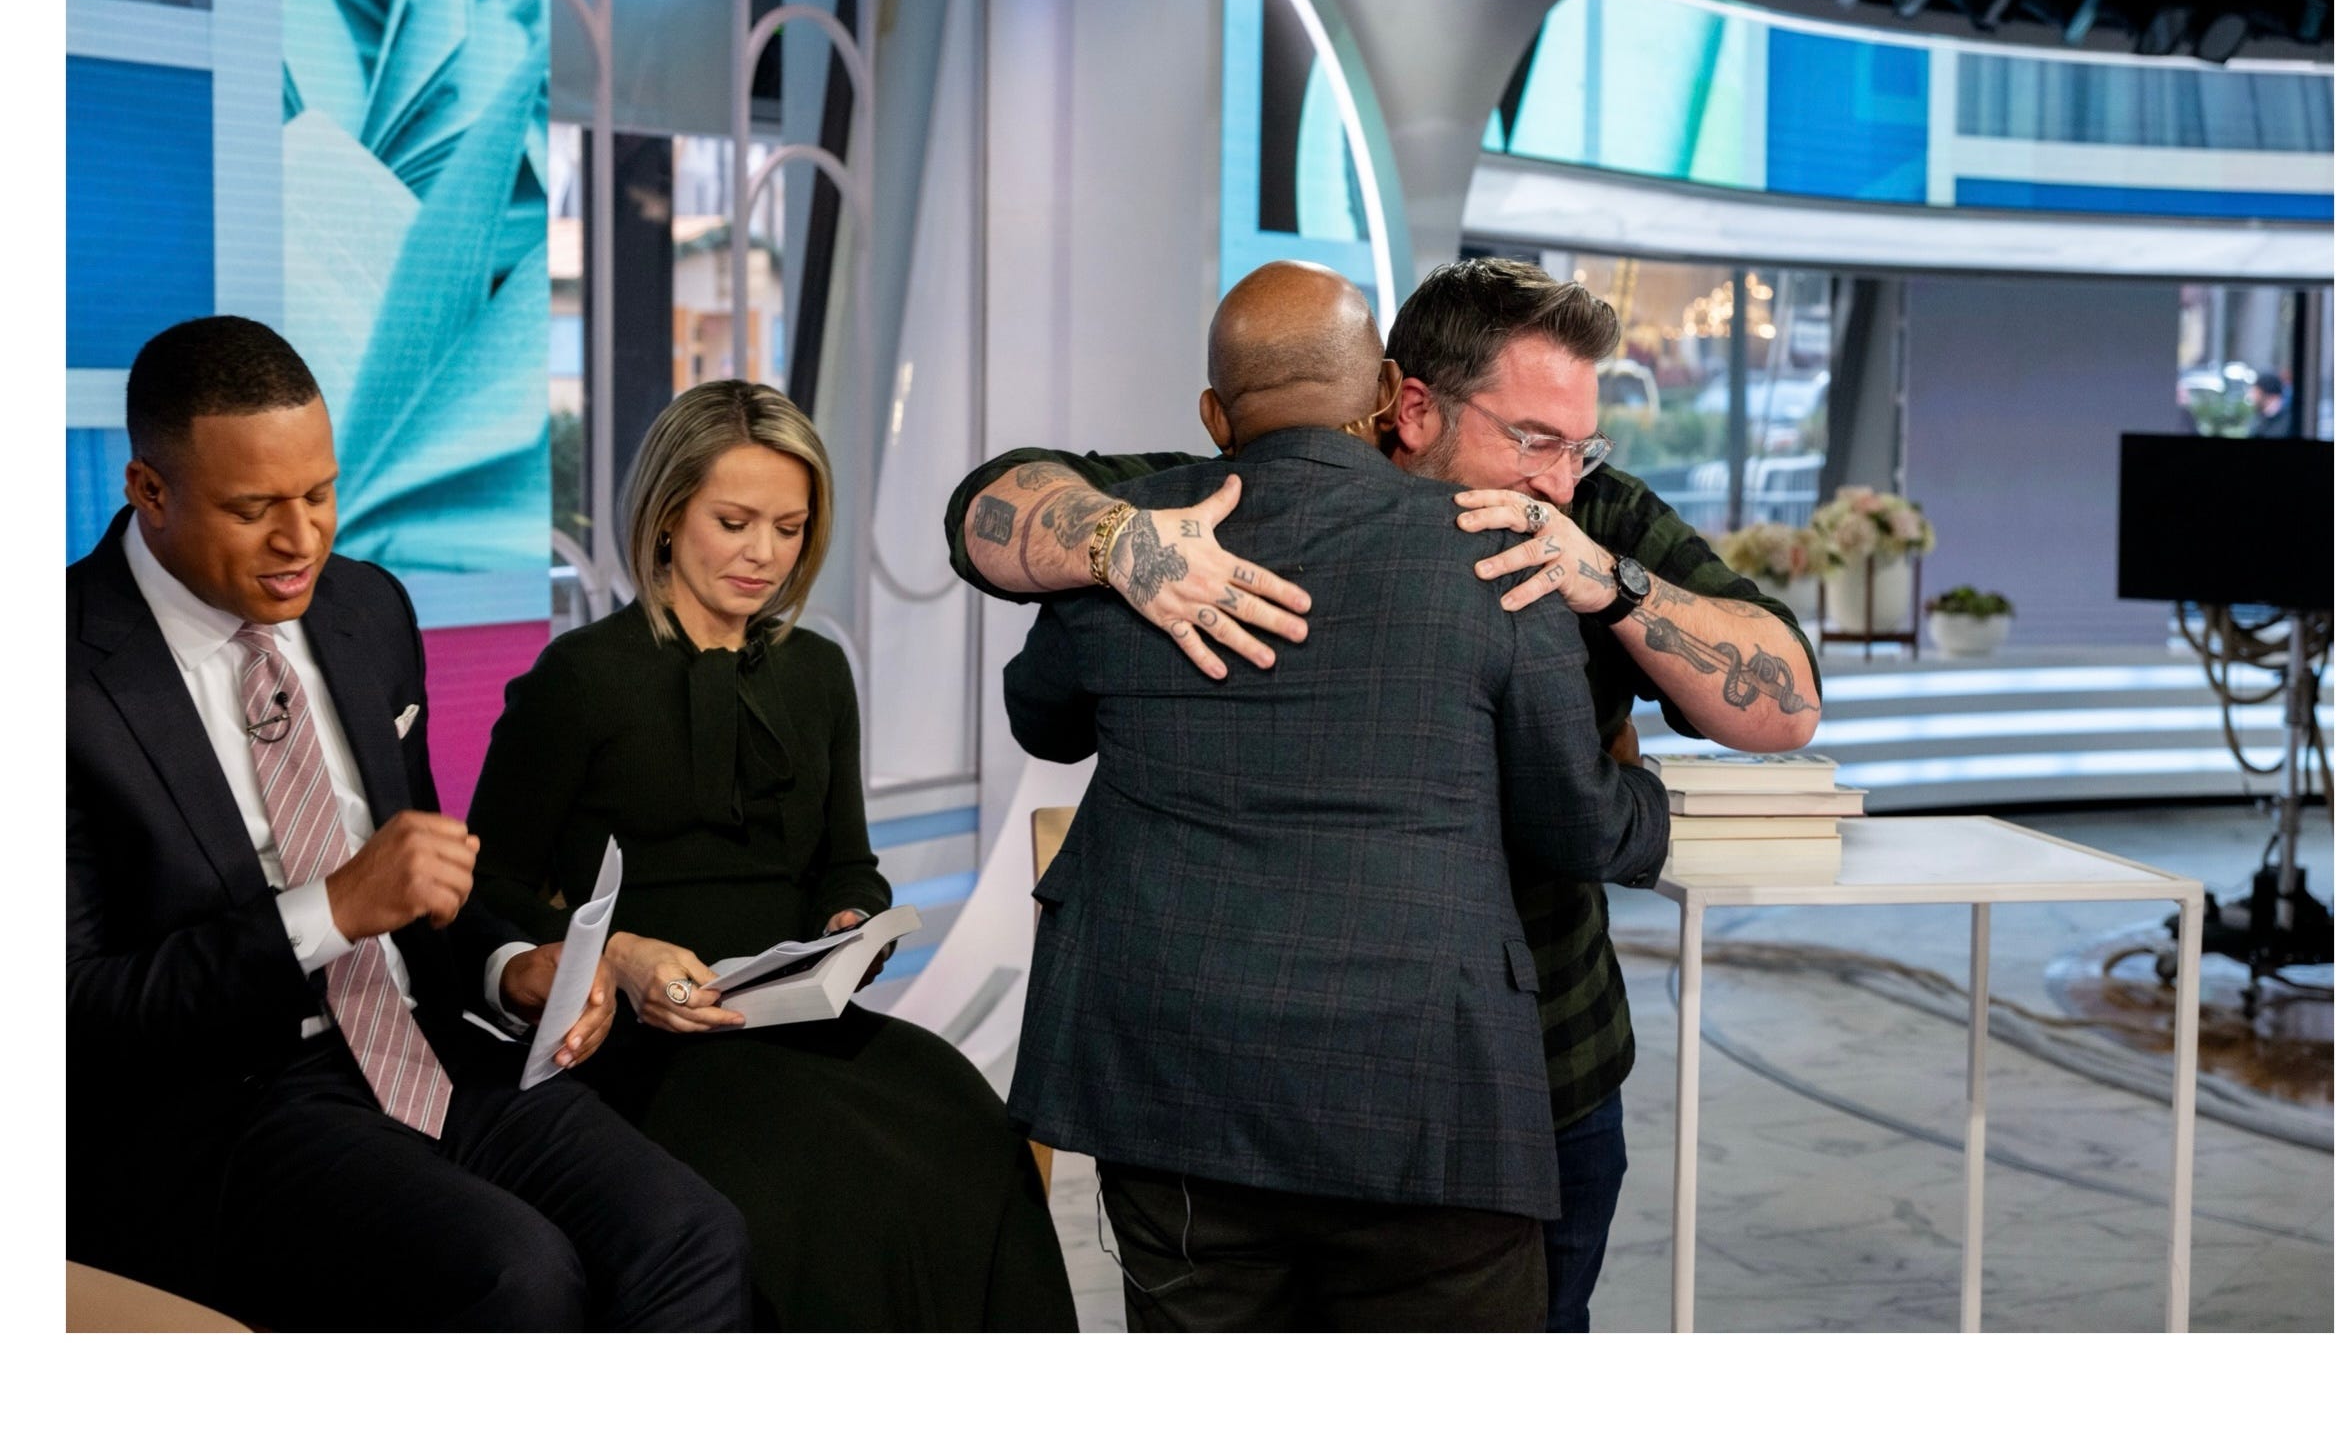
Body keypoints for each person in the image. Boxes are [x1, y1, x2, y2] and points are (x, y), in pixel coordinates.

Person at [944, 255, 1821, 1332]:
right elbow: (987, 502)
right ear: (1405, 405)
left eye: (1582, 444)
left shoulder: (1582, 513)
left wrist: (1614, 582)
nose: (1560, 477)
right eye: (1534, 439)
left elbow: (1788, 703)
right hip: (1374, 1074)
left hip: (1524, 1056)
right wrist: (1113, 543)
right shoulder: (1185, 513)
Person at [68, 316, 751, 1331]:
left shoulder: (366, 607)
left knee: (692, 1233)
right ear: (148, 490)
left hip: (424, 1044)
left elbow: (421, 880)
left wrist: (509, 966)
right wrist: (331, 911)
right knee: (518, 1274)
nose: (302, 540)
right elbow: (77, 1009)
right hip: (219, 1103)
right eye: (254, 508)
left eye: (319, 493)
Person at [469, 380, 1078, 1331]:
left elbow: (847, 862)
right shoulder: (579, 678)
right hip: (645, 1044)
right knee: (829, 1177)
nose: (764, 553)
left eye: (789, 529)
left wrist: (853, 921)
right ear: (666, 518)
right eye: (734, 522)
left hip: (794, 1020)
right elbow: (485, 889)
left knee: (966, 1120)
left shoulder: (818, 671)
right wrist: (617, 956)